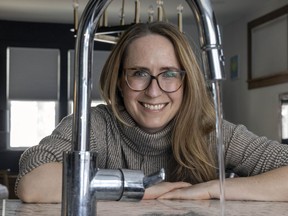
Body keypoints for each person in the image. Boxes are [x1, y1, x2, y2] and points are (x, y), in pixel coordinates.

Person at [16, 22, 288, 203]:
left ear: (186, 81)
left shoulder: (211, 132)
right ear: (120, 81)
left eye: (169, 74)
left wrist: (213, 188)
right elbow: (32, 182)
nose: (154, 91)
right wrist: (139, 188)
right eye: (139, 73)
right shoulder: (95, 124)